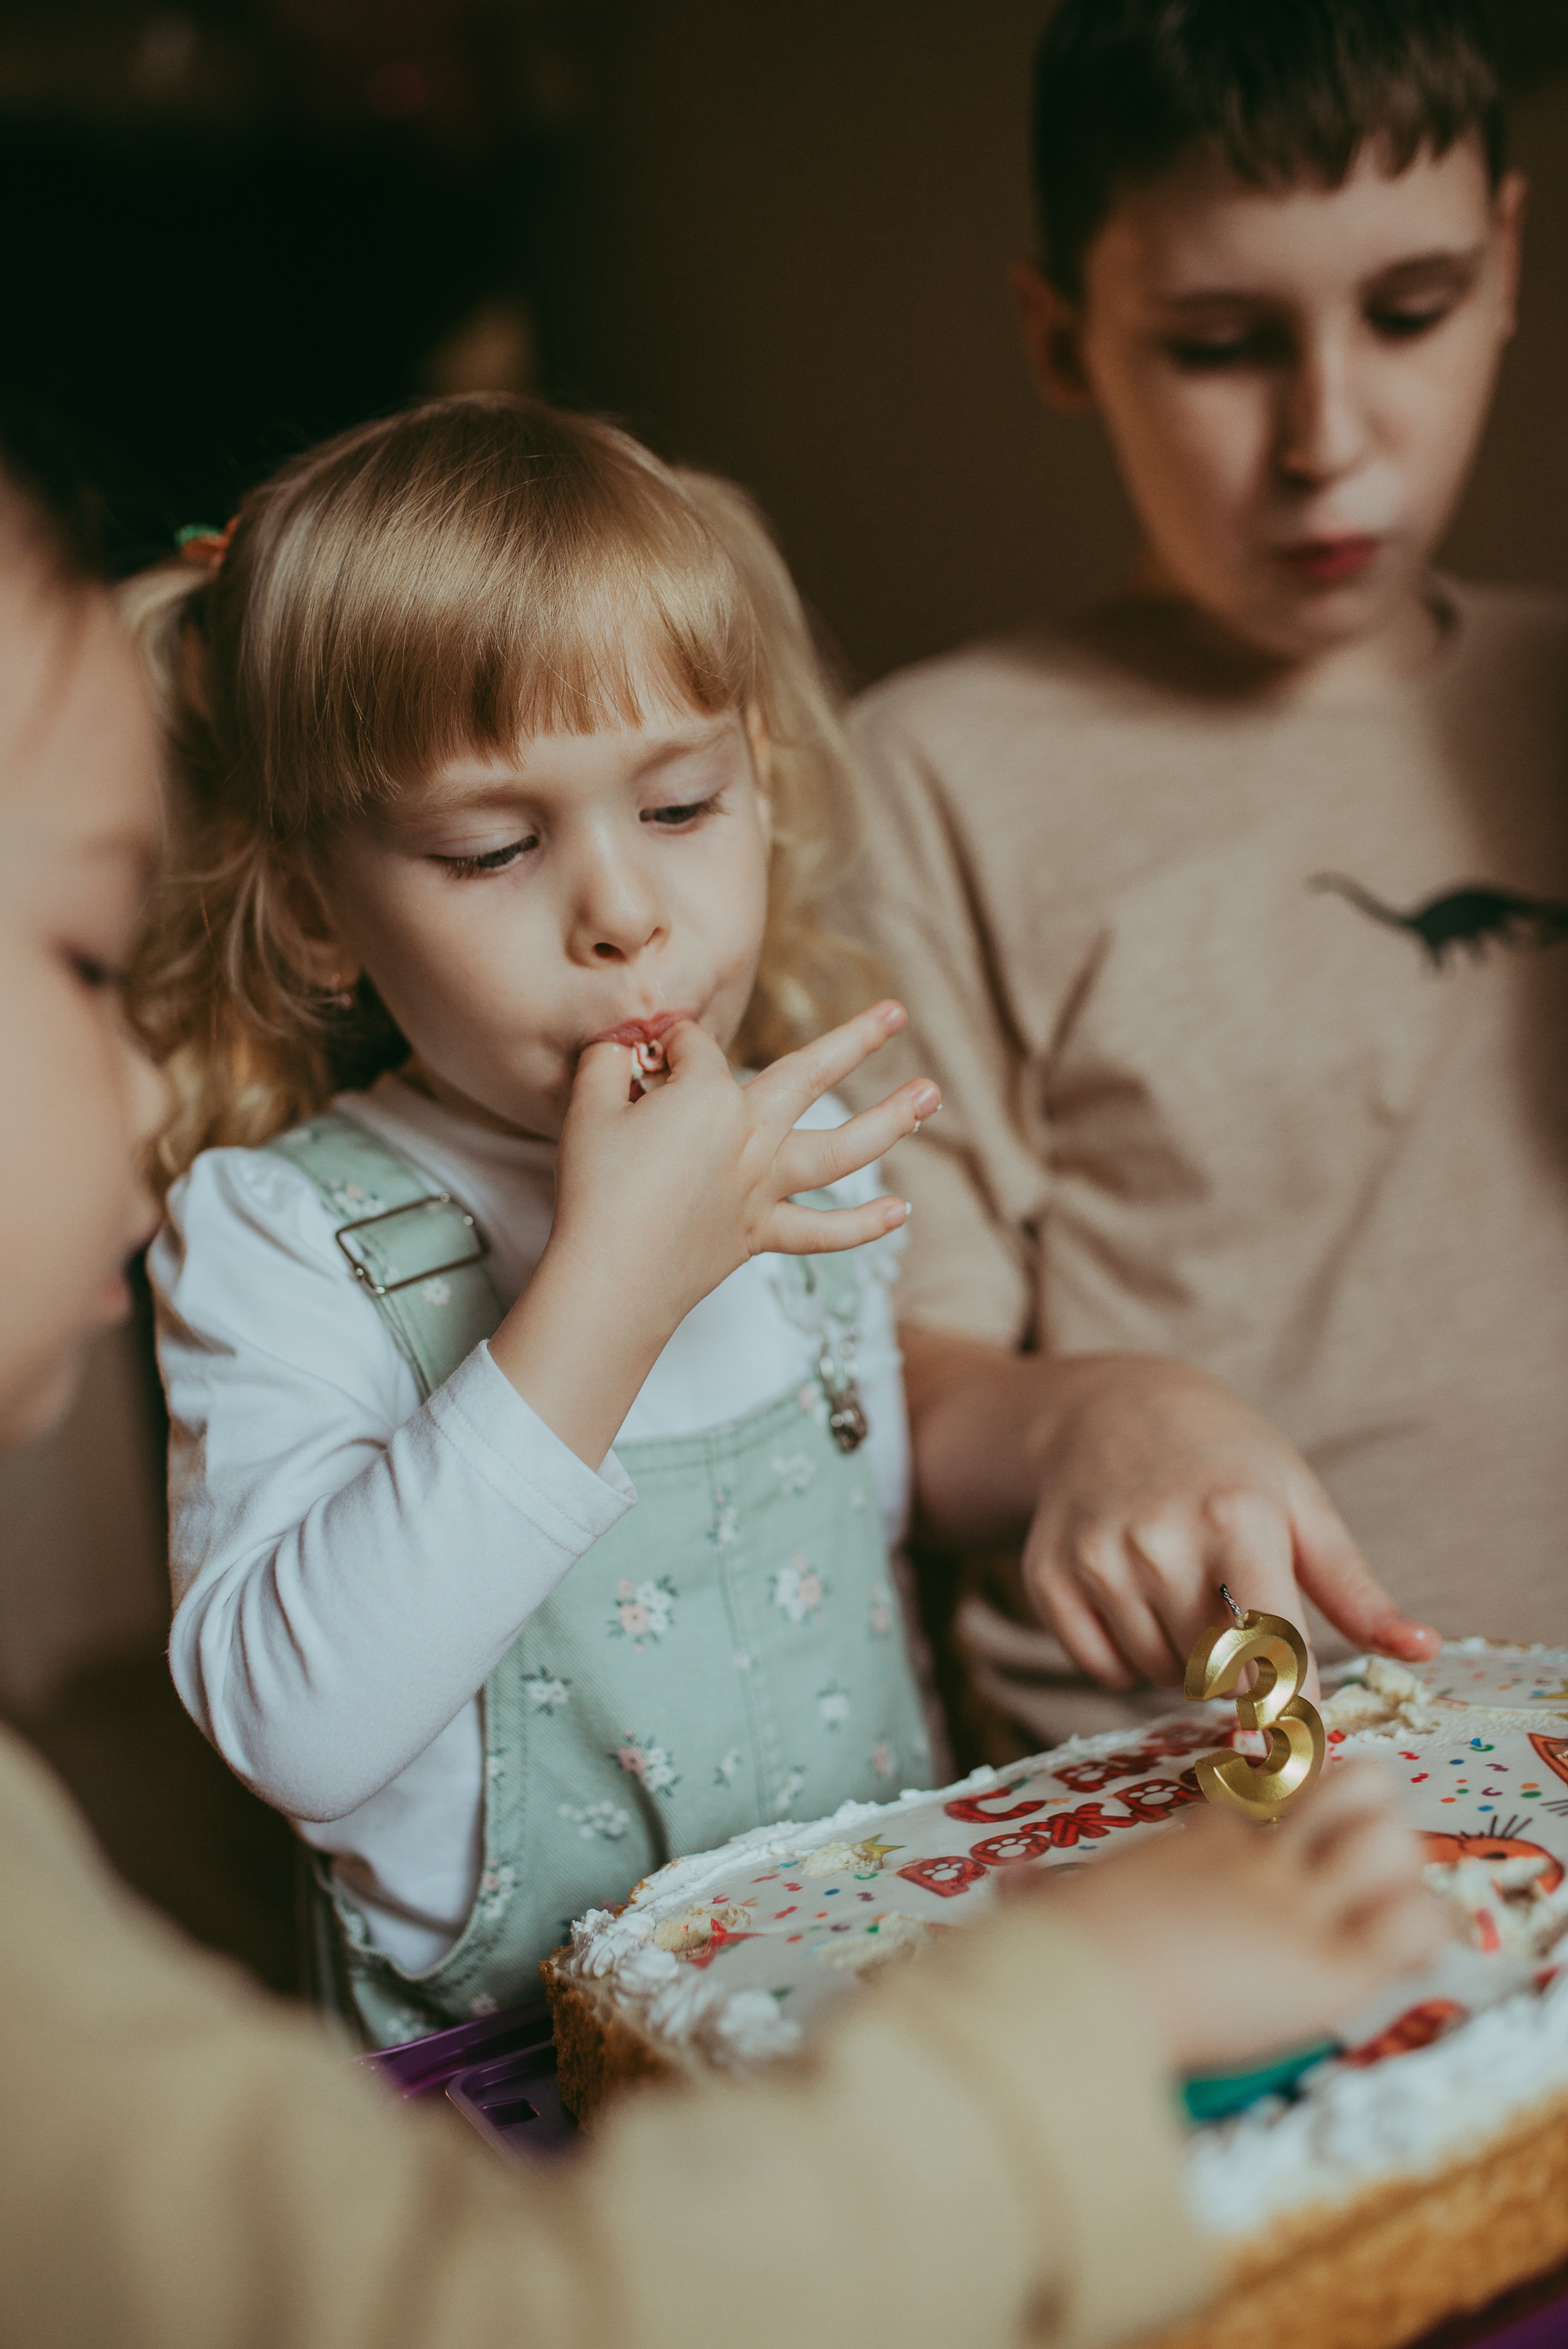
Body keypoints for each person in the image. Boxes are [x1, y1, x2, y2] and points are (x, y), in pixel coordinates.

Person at [0, 424, 1447, 2349]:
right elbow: (296, 1724)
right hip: (540, 2141)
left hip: (891, 2022)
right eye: (495, 848)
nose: (619, 911)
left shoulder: (800, 1124)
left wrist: (1093, 1416)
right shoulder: (285, 1231)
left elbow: (881, 1438)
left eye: (679, 805)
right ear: (327, 907)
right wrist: (607, 1279)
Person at [842, 0, 1566, 1755]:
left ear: (1509, 263)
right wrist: (1099, 1412)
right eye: (1219, 343)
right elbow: (902, 1394)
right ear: (1064, 334)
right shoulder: (929, 775)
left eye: (1410, 312)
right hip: (1216, 1791)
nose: (1328, 435)